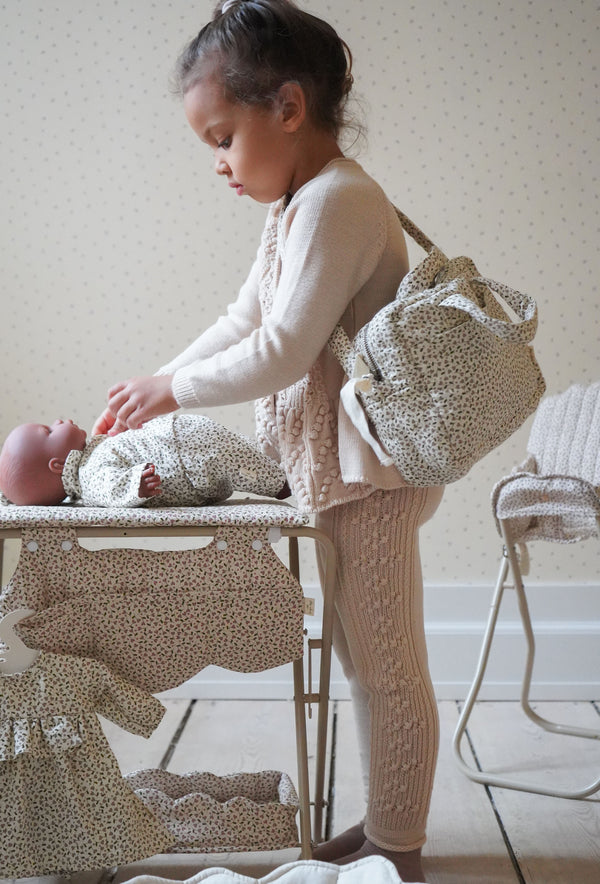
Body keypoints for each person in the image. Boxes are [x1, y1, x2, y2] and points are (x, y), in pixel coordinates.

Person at [92, 1, 444, 879]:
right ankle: (386, 825)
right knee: (364, 655)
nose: (218, 162)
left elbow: (283, 349)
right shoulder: (293, 206)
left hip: (375, 476)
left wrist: (173, 389)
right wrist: (155, 388)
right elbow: (241, 318)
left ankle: (397, 845)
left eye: (222, 136)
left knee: (387, 661)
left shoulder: (344, 201)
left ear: (287, 108)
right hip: (335, 473)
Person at [0, 415, 289, 507]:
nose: (59, 420)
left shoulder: (91, 453)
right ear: (58, 465)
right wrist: (135, 484)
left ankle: (277, 468)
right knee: (233, 459)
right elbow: (110, 487)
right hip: (185, 455)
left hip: (181, 443)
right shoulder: (89, 478)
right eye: (49, 430)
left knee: (238, 452)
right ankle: (281, 483)